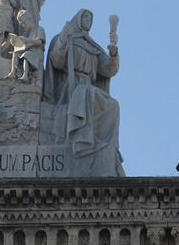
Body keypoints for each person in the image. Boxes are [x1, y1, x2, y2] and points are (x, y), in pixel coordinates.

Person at [43, 9, 124, 175]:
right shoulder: (66, 39)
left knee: (113, 106)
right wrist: (64, 38)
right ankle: (83, 140)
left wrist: (113, 51)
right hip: (69, 88)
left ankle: (107, 148)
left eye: (90, 18)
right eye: (85, 17)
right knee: (85, 92)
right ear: (78, 19)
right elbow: (57, 61)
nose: (88, 20)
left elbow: (108, 69)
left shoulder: (92, 46)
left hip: (88, 87)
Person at [5, 9, 45, 84]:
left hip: (37, 54)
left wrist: (26, 40)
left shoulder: (39, 29)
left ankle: (25, 75)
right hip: (30, 52)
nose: (23, 26)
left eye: (24, 23)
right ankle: (13, 72)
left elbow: (39, 42)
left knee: (26, 55)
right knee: (16, 53)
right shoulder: (30, 33)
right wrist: (17, 43)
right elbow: (27, 46)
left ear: (29, 19)